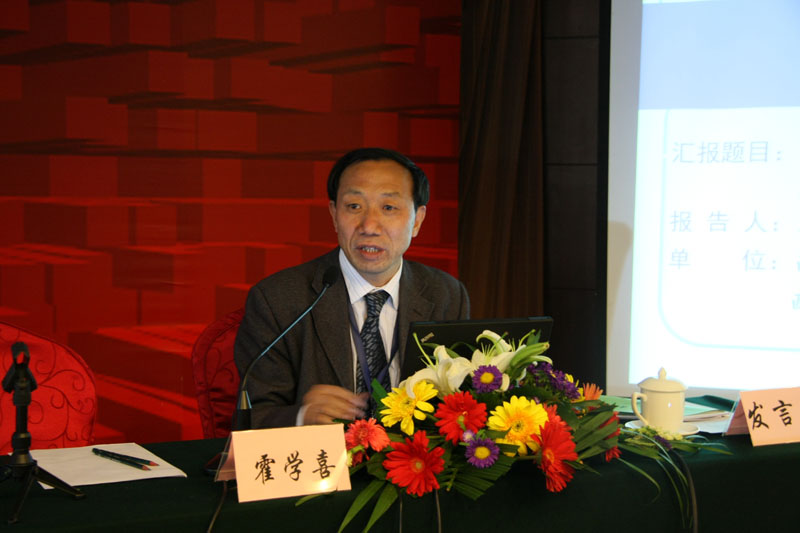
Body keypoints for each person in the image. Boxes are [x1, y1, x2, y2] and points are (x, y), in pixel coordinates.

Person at [234, 147, 469, 429]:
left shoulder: (445, 294)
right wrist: (300, 417)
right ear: (334, 214)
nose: (369, 226)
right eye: (354, 206)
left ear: (417, 220)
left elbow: (460, 400)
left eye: (388, 208)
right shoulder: (279, 299)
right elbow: (249, 419)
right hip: (323, 455)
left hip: (415, 455)